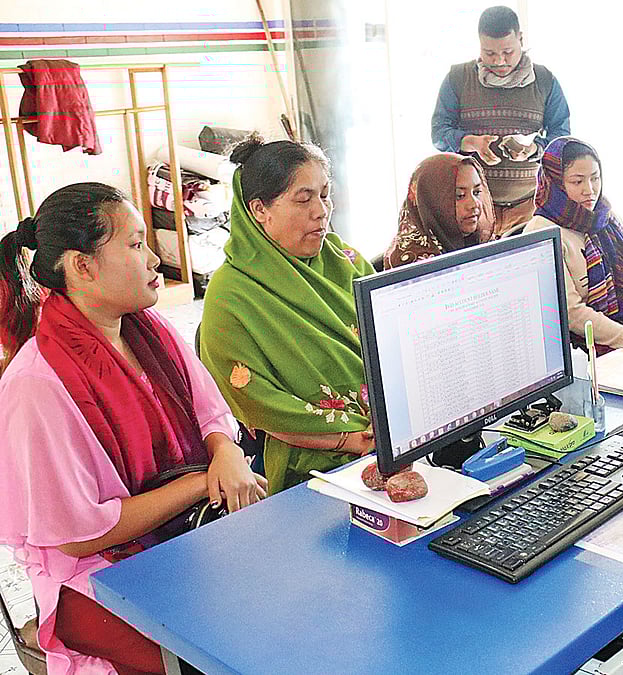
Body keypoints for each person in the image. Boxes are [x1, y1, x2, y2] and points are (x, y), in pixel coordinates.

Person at [0, 183, 266, 674]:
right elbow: (78, 537)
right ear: (83, 266)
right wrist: (197, 484)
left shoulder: (150, 329)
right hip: (93, 574)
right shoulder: (36, 384)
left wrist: (225, 454)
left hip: (177, 535)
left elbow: (212, 413)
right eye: (135, 244)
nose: (153, 260)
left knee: (276, 604)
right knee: (218, 652)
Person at [199, 136, 376, 494]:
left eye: (324, 194)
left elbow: (395, 336)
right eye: (303, 198)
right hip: (310, 467)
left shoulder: (346, 262)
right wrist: (349, 439)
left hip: (389, 443)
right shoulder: (232, 295)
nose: (321, 211)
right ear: (259, 210)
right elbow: (258, 401)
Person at [521, 136, 623, 350]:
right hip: (583, 348)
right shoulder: (542, 232)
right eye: (577, 181)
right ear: (555, 183)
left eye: (595, 178)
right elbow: (572, 313)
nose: (589, 190)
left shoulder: (607, 219)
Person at [431, 5, 571, 235]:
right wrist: (470, 142)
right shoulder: (458, 78)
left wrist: (534, 148)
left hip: (531, 205)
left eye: (508, 52)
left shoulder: (545, 80)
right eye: (489, 53)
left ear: (521, 39)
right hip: (473, 208)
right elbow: (438, 132)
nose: (499, 61)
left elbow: (563, 138)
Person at [382, 153, 496, 269]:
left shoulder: (479, 238)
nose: (474, 204)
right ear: (431, 201)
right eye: (459, 196)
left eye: (476, 193)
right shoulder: (413, 262)